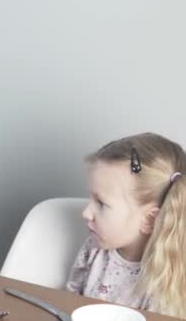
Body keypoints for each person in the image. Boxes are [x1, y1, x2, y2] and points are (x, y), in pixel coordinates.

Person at [66, 133, 186, 318]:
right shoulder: (94, 248)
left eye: (101, 203)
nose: (86, 213)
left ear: (149, 220)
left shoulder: (165, 278)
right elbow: (67, 301)